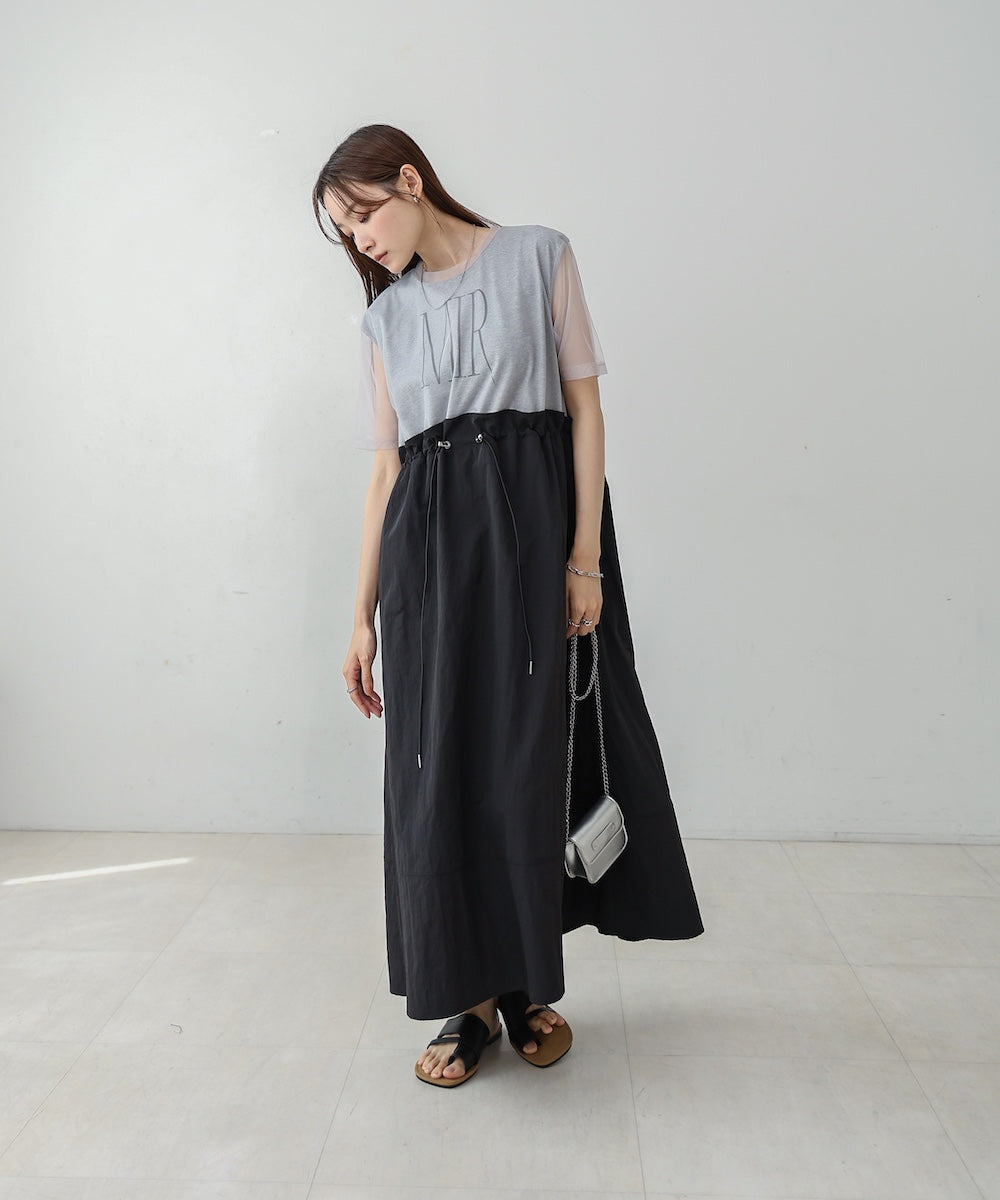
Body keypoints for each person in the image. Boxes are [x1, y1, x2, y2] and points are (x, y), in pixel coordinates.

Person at [311, 124, 703, 1088]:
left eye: (362, 217)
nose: (360, 241)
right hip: (430, 565)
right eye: (344, 233)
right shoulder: (384, 321)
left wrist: (584, 559)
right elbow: (386, 475)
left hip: (536, 547)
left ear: (410, 181)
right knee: (442, 769)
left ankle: (526, 984)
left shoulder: (538, 256)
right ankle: (470, 999)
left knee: (531, 761)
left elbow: (585, 409)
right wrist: (358, 617)